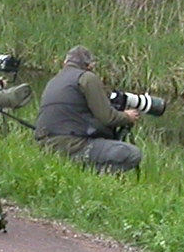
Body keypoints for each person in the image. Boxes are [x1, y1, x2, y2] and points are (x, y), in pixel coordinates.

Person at [33, 45, 143, 173]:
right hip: (71, 145)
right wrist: (127, 116)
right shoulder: (87, 78)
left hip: (45, 146)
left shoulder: (52, 81)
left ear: (65, 62)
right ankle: (96, 176)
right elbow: (108, 117)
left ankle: (79, 172)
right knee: (132, 154)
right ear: (89, 66)